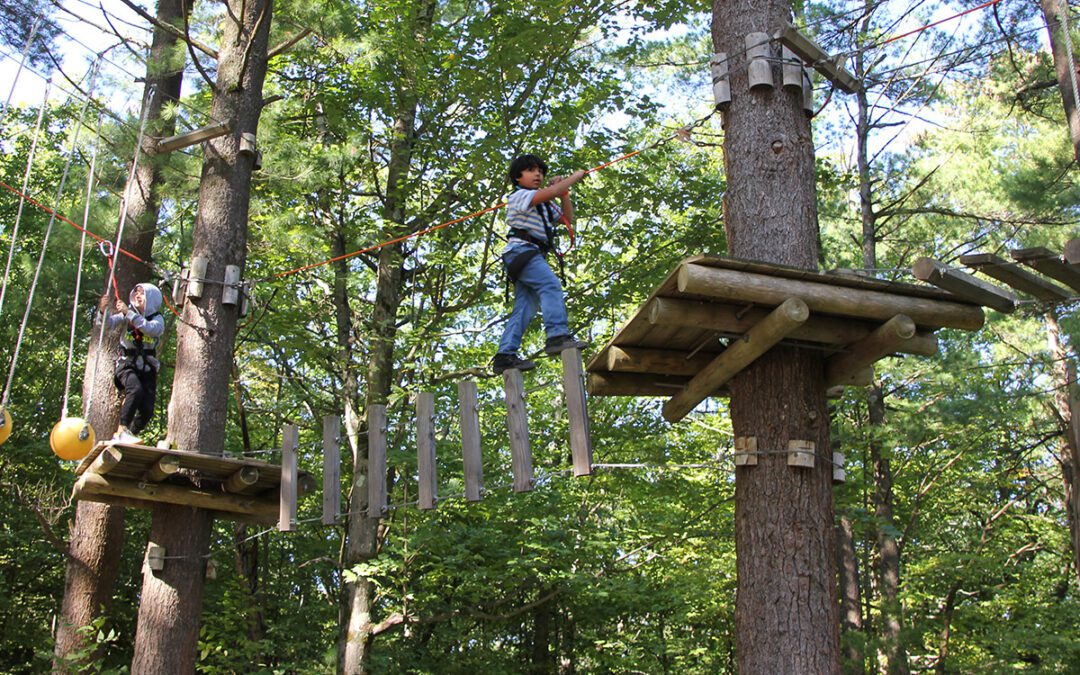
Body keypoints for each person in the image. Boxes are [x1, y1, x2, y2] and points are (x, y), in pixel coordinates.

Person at [492, 154, 588, 374]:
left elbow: (567, 217)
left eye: (540, 172)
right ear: (517, 177)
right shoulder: (519, 196)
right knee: (550, 286)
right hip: (521, 252)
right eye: (530, 170)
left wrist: (565, 193)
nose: (538, 174)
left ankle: (505, 354)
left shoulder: (543, 205)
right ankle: (557, 335)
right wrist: (574, 177)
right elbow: (551, 191)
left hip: (530, 255)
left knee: (526, 306)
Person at [106, 283, 165, 443]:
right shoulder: (126, 315)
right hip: (127, 365)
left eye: (142, 294)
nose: (138, 296)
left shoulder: (157, 319)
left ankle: (131, 432)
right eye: (136, 293)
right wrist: (102, 311)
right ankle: (122, 430)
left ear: (151, 299)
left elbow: (150, 329)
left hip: (147, 369)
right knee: (135, 389)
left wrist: (129, 313)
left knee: (147, 410)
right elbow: (108, 324)